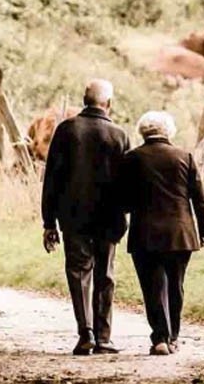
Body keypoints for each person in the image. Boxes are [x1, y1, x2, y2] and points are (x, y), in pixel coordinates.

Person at [40, 79, 131, 356]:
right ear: (109, 104)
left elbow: (51, 179)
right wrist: (125, 213)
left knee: (78, 272)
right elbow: (127, 183)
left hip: (73, 217)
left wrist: (49, 222)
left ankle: (86, 333)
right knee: (105, 275)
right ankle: (104, 338)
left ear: (83, 99)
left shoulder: (66, 130)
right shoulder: (119, 135)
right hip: (109, 218)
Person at [118, 111, 204, 356]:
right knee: (176, 285)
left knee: (152, 287)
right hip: (180, 233)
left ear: (143, 131)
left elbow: (123, 200)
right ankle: (173, 338)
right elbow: (199, 199)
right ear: (169, 131)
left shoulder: (131, 158)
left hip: (145, 233)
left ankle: (160, 337)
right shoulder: (185, 157)